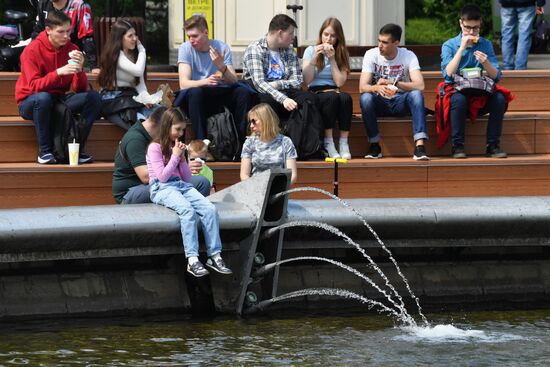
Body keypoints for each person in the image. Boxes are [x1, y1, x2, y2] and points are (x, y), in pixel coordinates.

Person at [146, 107, 232, 278]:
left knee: (209, 209)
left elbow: (186, 178)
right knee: (187, 210)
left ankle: (214, 255)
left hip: (181, 185)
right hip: (161, 188)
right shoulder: (154, 148)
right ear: (166, 126)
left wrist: (182, 158)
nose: (180, 133)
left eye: (182, 129)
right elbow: (162, 177)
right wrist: (175, 157)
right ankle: (192, 260)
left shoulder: (177, 148)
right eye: (177, 129)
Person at [16, 9, 100, 164]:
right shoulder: (31, 50)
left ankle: (76, 149)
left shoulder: (72, 48)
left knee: (94, 97)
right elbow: (34, 86)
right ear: (48, 30)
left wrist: (80, 70)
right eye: (61, 32)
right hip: (30, 101)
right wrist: (58, 73)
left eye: (68, 31)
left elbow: (80, 89)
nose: (66, 36)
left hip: (58, 100)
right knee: (43, 98)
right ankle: (45, 152)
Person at [440, 4, 514, 158]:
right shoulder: (449, 45)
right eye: (468, 28)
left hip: (480, 91)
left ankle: (492, 145)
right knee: (458, 99)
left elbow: (496, 76)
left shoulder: (485, 44)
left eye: (476, 28)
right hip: (459, 92)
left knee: (499, 98)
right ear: (461, 23)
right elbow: (447, 76)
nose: (472, 32)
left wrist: (486, 62)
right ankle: (457, 146)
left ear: (480, 25)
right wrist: (461, 49)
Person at [175, 15, 254, 142]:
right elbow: (183, 84)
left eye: (195, 36)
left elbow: (233, 80)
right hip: (196, 97)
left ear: (205, 32)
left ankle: (241, 143)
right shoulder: (185, 49)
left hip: (218, 93)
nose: (191, 40)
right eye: (189, 36)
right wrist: (206, 81)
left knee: (242, 92)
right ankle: (202, 144)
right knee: (195, 93)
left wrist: (221, 67)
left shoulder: (221, 47)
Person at [359, 23, 429, 160]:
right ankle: (374, 145)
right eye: (379, 40)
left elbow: (420, 85)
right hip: (380, 102)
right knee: (365, 98)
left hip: (401, 101)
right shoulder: (371, 55)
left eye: (385, 42)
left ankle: (420, 147)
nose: (380, 45)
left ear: (396, 43)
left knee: (416, 95)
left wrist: (395, 83)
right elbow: (362, 87)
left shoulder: (408, 55)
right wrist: (376, 88)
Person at [112, 106, 211, 204]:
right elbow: (146, 177)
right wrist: (177, 166)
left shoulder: (159, 138)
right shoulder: (135, 139)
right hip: (131, 192)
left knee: (202, 182)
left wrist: (183, 165)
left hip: (161, 183)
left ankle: (189, 215)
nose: (180, 133)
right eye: (176, 129)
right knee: (189, 185)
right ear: (162, 126)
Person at [242, 14, 317, 121]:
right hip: (262, 93)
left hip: (286, 90)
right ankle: (272, 135)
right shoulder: (255, 49)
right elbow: (259, 83)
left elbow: (297, 80)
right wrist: (283, 99)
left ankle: (304, 137)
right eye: (290, 33)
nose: (293, 38)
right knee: (268, 102)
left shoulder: (289, 50)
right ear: (280, 33)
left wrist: (278, 84)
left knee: (309, 99)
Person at [302, 17, 353, 159]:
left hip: (334, 90)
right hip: (316, 91)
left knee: (346, 98)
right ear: (321, 34)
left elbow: (340, 82)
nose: (328, 39)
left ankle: (344, 142)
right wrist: (314, 59)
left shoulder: (342, 53)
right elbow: (306, 80)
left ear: (338, 38)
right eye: (326, 34)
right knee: (331, 97)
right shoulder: (310, 50)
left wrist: (332, 59)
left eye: (333, 36)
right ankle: (328, 142)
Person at [97, 19, 154, 130]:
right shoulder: (117, 55)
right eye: (130, 36)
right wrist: (142, 50)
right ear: (120, 38)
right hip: (114, 101)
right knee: (138, 122)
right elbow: (138, 70)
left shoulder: (134, 55)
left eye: (135, 35)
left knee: (159, 113)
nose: (135, 39)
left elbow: (139, 82)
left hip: (130, 98)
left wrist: (146, 98)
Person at [32, 0, 99, 73]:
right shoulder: (43, 3)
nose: (65, 35)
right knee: (21, 54)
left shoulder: (79, 5)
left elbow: (87, 37)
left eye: (68, 31)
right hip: (47, 54)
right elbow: (37, 31)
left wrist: (94, 66)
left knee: (73, 73)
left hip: (70, 55)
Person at [240, 103, 298, 184]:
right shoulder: (250, 142)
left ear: (265, 120)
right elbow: (244, 175)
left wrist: (278, 188)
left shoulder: (285, 142)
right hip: (256, 189)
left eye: (254, 121)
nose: (251, 126)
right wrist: (256, 188)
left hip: (279, 188)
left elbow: (293, 175)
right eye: (250, 122)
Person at [500, 0, 546, 70]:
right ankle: (520, 69)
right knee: (524, 36)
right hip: (526, 3)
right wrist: (540, 3)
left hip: (506, 3)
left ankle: (508, 68)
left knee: (507, 36)